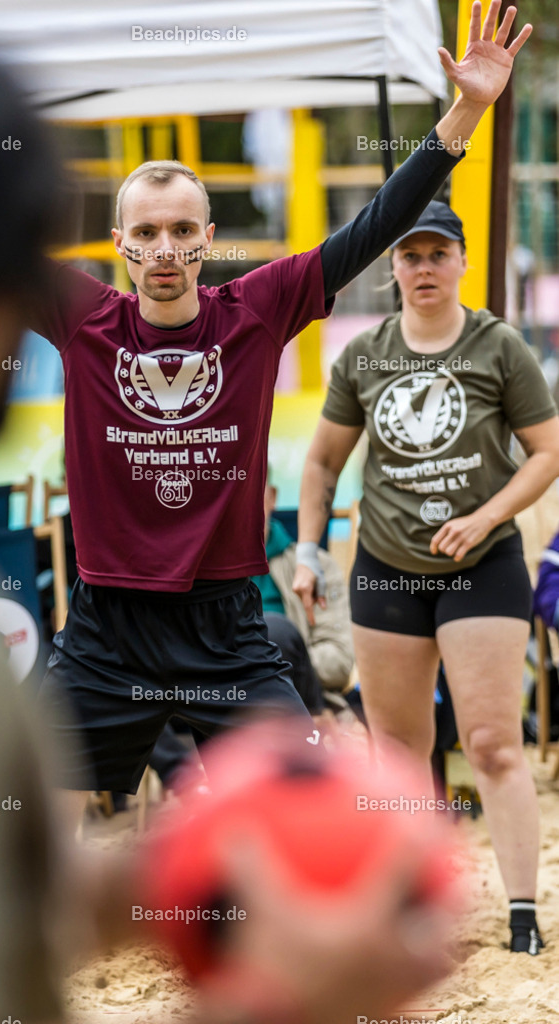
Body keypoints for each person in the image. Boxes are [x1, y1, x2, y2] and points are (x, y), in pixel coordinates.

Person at [33, 1, 532, 827]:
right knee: (21, 808)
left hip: (225, 620)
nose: (165, 249)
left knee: (307, 815)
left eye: (182, 230)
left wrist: (467, 109)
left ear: (207, 237)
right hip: (105, 622)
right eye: (147, 233)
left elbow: (375, 226)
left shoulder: (255, 310)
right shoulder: (81, 315)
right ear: (120, 243)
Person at [294, 197, 559, 956]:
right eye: (409, 255)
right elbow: (319, 463)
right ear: (391, 268)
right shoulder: (363, 355)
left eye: (437, 252)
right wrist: (308, 552)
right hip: (384, 567)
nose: (423, 267)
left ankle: (519, 912)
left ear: (462, 261)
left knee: (490, 743)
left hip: (479, 564)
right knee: (399, 751)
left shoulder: (496, 345)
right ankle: (413, 907)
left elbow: (545, 451)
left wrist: (486, 515)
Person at [253, 476, 353, 714]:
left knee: (275, 631)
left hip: (300, 697)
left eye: (251, 487)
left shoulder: (317, 567)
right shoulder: (194, 571)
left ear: (272, 496)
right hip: (219, 696)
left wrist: (272, 661)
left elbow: (339, 663)